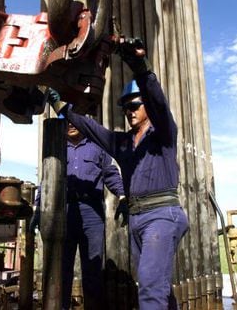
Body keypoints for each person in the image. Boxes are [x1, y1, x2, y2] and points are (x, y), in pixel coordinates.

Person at [47, 37, 190, 309]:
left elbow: (158, 102)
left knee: (149, 288)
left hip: (161, 215)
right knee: (157, 285)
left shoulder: (163, 135)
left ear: (146, 106)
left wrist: (141, 67)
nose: (129, 111)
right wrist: (61, 107)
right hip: (138, 218)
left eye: (134, 105)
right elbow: (92, 130)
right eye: (125, 107)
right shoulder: (123, 144)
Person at [31, 122, 126, 310]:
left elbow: (110, 174)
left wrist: (122, 195)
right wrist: (37, 206)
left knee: (92, 268)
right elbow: (46, 180)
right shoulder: (58, 148)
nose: (70, 125)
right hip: (64, 212)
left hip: (91, 211)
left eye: (74, 121)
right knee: (61, 267)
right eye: (66, 122)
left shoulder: (97, 146)